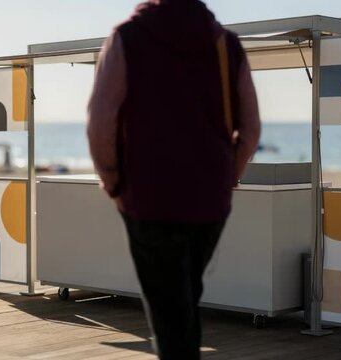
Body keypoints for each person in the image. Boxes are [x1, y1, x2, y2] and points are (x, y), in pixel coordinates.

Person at [86, 0, 260, 358]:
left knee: (170, 316)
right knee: (183, 302)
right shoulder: (225, 44)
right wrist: (228, 178)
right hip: (209, 199)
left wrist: (113, 181)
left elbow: (101, 121)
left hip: (147, 196)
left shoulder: (127, 38)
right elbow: (251, 129)